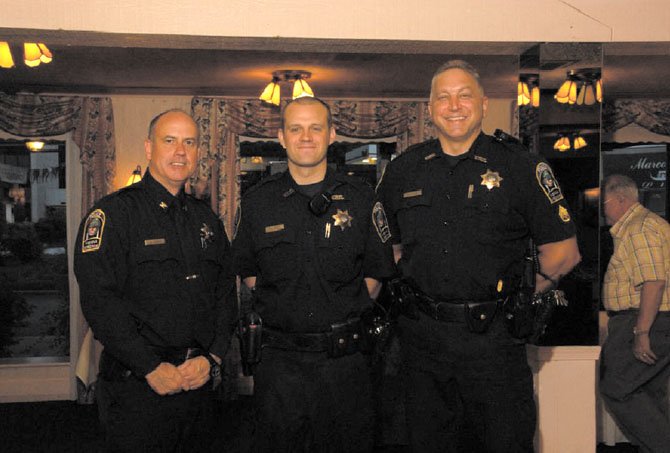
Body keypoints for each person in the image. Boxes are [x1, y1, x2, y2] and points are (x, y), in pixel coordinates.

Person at [375, 60, 581, 452]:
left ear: (484, 105)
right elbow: (392, 247)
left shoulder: (521, 166)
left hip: (494, 342)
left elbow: (563, 252)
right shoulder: (404, 170)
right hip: (421, 344)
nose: (454, 106)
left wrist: (516, 296)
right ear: (429, 107)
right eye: (444, 97)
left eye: (464, 95)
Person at [231, 97, 395, 452]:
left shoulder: (363, 199)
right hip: (279, 366)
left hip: (345, 365)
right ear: (282, 137)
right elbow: (247, 271)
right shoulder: (258, 202)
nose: (306, 136)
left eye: (315, 127)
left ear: (332, 134)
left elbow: (375, 274)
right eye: (296, 128)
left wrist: (334, 311)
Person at [74, 109, 235, 451]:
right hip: (138, 388)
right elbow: (99, 301)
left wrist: (214, 358)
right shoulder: (114, 215)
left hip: (198, 383)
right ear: (149, 148)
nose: (181, 151)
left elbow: (225, 295)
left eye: (189, 142)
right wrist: (149, 366)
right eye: (170, 141)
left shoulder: (206, 220)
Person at [599, 174, 670, 453]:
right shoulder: (645, 225)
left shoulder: (639, 228)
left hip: (642, 321)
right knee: (650, 394)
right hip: (653, 321)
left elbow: (653, 281)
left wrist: (641, 332)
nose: (602, 209)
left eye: (602, 202)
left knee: (617, 389)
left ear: (619, 200)